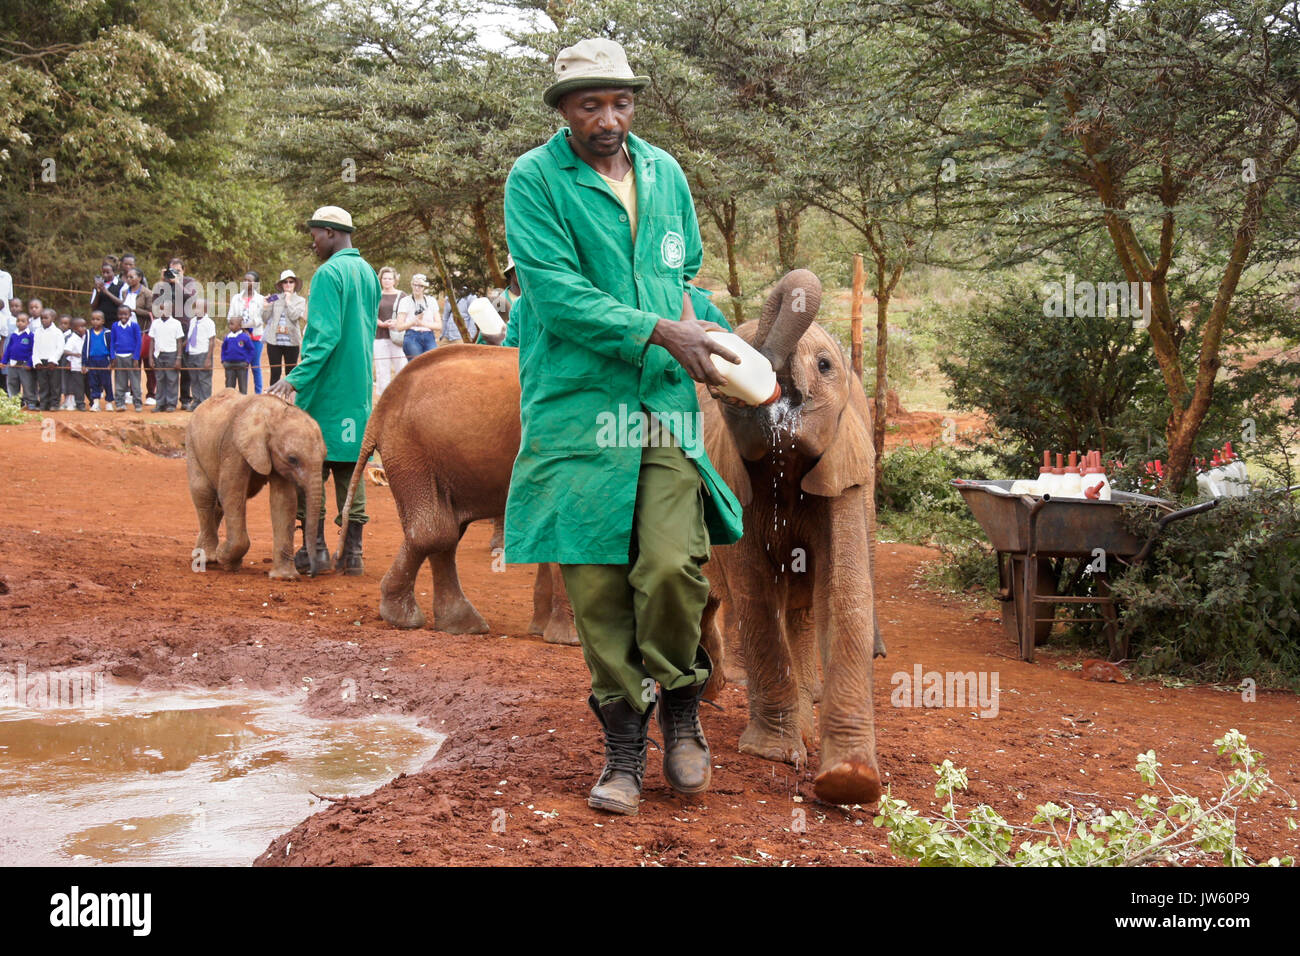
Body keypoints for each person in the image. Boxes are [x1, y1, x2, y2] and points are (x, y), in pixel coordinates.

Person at [503, 38, 744, 816]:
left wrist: (717, 341)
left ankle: (680, 707)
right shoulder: (535, 182)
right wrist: (655, 330)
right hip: (578, 407)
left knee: (673, 566)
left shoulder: (665, 173)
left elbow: (683, 280)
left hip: (664, 404)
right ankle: (621, 747)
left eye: (621, 103)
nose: (608, 119)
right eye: (589, 105)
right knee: (597, 587)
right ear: (563, 110)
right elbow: (555, 296)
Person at [268, 205, 379, 575]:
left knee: (310, 471)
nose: (313, 242)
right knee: (351, 469)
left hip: (326, 390)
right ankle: (353, 555)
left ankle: (312, 550)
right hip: (358, 389)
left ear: (330, 233)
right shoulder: (368, 273)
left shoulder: (329, 274)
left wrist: (295, 378)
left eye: (315, 234)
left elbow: (324, 338)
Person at [262, 269, 306, 386]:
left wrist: (288, 301)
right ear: (281, 284)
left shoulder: (300, 300)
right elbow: (265, 318)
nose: (288, 284)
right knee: (275, 372)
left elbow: (294, 316)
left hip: (292, 342)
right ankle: (273, 401)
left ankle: (289, 401)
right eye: (285, 282)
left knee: (290, 373)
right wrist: (266, 306)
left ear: (295, 283)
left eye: (291, 282)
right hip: (274, 341)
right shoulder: (275, 297)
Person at [229, 272, 266, 394]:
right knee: (241, 365)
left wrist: (245, 326)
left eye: (249, 280)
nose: (246, 282)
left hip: (255, 336)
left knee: (255, 365)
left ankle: (258, 394)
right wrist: (240, 329)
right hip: (239, 337)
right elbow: (230, 316)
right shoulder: (236, 298)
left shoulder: (261, 299)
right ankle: (242, 395)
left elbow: (261, 319)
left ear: (255, 284)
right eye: (244, 280)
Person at [373, 266, 406, 395]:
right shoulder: (376, 295)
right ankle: (383, 399)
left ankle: (402, 397)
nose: (387, 281)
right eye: (384, 278)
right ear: (380, 280)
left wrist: (397, 322)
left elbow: (409, 313)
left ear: (394, 280)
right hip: (380, 337)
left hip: (398, 337)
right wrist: (379, 323)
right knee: (382, 370)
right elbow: (369, 313)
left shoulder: (402, 295)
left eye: (389, 278)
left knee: (401, 367)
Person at [182, 298, 217, 409]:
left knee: (204, 380)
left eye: (199, 308)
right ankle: (196, 402)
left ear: (205, 309)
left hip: (203, 354)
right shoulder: (192, 321)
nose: (196, 310)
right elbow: (190, 337)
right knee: (194, 379)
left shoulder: (209, 323)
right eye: (195, 307)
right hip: (192, 354)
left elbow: (212, 341)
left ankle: (205, 404)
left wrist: (208, 358)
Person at [395, 273, 439, 358]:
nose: (417, 288)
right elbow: (399, 327)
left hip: (429, 336)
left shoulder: (431, 301)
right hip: (412, 336)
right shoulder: (405, 301)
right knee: (416, 365)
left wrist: (421, 323)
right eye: (415, 285)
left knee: (432, 363)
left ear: (424, 287)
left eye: (420, 286)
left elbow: (439, 325)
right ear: (411, 285)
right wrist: (414, 321)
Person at [150, 304, 184, 412]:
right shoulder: (155, 323)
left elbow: (179, 342)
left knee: (171, 379)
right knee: (160, 379)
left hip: (171, 354)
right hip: (158, 354)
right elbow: (152, 340)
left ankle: (171, 403)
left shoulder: (176, 323)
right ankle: (160, 403)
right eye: (161, 309)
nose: (164, 311)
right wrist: (150, 357)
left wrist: (178, 358)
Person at [111, 304, 143, 412]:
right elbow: (112, 342)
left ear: (130, 315)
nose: (123, 316)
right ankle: (120, 403)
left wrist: (136, 357)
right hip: (119, 356)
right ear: (117, 315)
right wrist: (112, 356)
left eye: (125, 314)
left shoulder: (134, 326)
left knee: (135, 382)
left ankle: (137, 403)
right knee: (120, 382)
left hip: (131, 357)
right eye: (120, 314)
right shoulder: (115, 326)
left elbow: (139, 342)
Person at [32, 309, 65, 411]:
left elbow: (60, 348)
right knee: (43, 384)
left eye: (46, 318)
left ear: (53, 318)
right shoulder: (37, 331)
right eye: (42, 318)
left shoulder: (57, 332)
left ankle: (54, 404)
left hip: (53, 362)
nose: (43, 320)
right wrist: (36, 361)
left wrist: (53, 360)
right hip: (41, 362)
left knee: (54, 384)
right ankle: (43, 404)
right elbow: (35, 348)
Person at [83, 311, 114, 411]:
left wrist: (112, 362)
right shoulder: (88, 333)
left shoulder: (107, 333)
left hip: (104, 361)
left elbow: (111, 348)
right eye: (93, 319)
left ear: (103, 321)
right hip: (92, 361)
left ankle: (109, 402)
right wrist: (84, 363)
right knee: (93, 382)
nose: (95, 321)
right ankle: (96, 403)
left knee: (107, 382)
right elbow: (85, 349)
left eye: (98, 319)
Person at [3, 313, 34, 409]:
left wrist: (30, 363)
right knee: (12, 383)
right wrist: (4, 361)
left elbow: (32, 350)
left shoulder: (30, 335)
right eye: (18, 321)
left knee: (27, 384)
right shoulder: (13, 335)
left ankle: (30, 402)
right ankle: (15, 402)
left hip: (24, 364)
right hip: (12, 364)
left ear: (28, 323)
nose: (20, 323)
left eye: (23, 321)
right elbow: (8, 349)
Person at [222, 314, 255, 393]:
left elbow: (251, 350)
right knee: (229, 387)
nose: (230, 326)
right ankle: (229, 403)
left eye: (232, 324)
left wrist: (247, 361)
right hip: (229, 365)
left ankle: (243, 402)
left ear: (239, 326)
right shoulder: (228, 337)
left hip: (241, 364)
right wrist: (223, 360)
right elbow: (223, 349)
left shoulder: (245, 337)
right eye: (229, 324)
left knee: (243, 386)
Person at [61, 317, 86, 410]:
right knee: (78, 385)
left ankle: (93, 402)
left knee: (87, 385)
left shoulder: (86, 336)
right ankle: (79, 403)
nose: (84, 328)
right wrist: (74, 355)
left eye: (84, 326)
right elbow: (66, 351)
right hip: (76, 366)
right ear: (74, 328)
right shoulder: (72, 338)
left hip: (86, 365)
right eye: (81, 327)